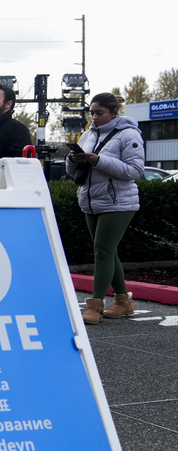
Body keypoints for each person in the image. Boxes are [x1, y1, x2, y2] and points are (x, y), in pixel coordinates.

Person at [65, 93, 144, 325]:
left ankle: (95, 305)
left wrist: (97, 160)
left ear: (114, 112)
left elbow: (135, 171)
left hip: (119, 202)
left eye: (99, 113)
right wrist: (74, 159)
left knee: (102, 251)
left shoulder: (128, 135)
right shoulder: (89, 134)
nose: (94, 117)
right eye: (92, 113)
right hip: (91, 201)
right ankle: (123, 302)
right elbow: (73, 173)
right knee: (108, 252)